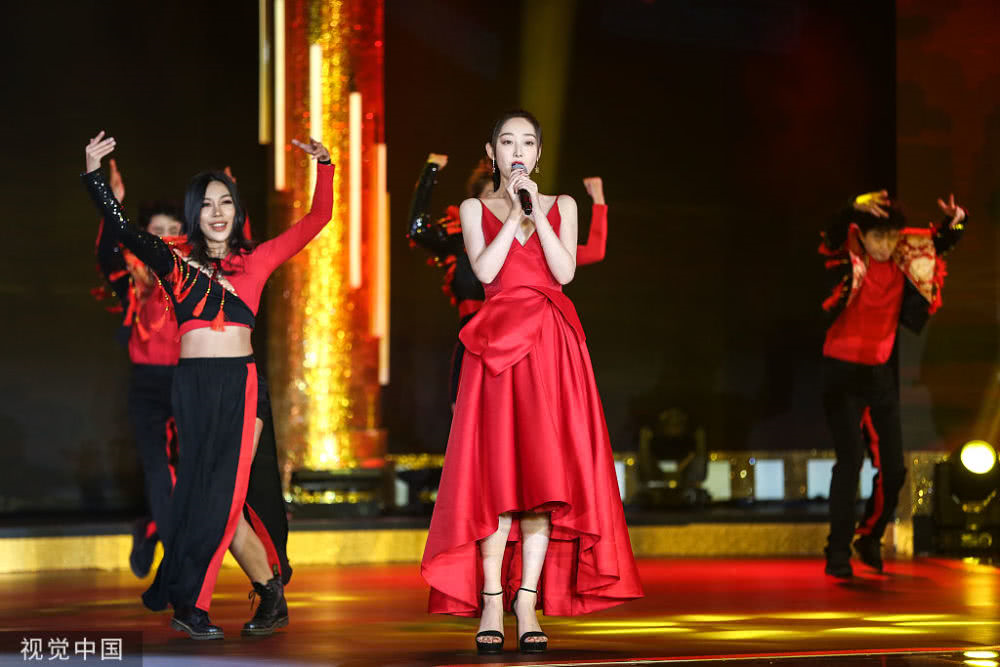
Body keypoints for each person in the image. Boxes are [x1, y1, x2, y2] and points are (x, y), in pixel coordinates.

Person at [82, 130, 334, 639]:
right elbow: (121, 229)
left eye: (226, 203)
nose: (217, 212)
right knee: (206, 496)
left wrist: (325, 167)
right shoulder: (174, 262)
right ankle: (268, 593)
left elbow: (317, 219)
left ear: (237, 211)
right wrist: (93, 175)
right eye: (206, 204)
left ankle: (191, 604)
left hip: (241, 387)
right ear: (193, 214)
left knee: (223, 495)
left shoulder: (256, 260)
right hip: (191, 387)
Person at [420, 111, 642, 655]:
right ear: (492, 152)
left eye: (526, 143)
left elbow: (564, 272)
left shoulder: (561, 205)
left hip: (551, 348)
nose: (517, 150)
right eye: (506, 141)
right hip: (496, 351)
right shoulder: (472, 209)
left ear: (538, 154)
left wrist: (535, 212)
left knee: (545, 482)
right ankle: (491, 600)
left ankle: (526, 601)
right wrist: (511, 212)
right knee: (496, 481)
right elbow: (486, 272)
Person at [819, 189, 966, 578]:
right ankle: (836, 553)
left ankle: (869, 536)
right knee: (850, 462)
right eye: (877, 237)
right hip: (840, 373)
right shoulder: (849, 257)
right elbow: (832, 234)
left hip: (878, 375)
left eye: (890, 237)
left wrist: (957, 221)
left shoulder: (905, 260)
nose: (885, 246)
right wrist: (851, 207)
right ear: (863, 235)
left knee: (895, 469)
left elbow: (941, 241)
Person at [407, 155, 609, 407]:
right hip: (476, 344)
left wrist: (598, 199)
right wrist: (431, 169)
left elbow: (593, 251)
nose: (497, 206)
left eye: (504, 198)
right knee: (468, 418)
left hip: (523, 342)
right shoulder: (460, 241)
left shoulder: (533, 246)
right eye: (490, 199)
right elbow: (418, 230)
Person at [91, 159, 183, 578]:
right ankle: (175, 559)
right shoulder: (132, 277)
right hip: (148, 383)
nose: (165, 237)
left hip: (191, 379)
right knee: (157, 469)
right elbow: (107, 252)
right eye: (157, 230)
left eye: (173, 230)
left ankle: (152, 527)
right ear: (143, 235)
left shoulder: (192, 274)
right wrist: (111, 202)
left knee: (193, 469)